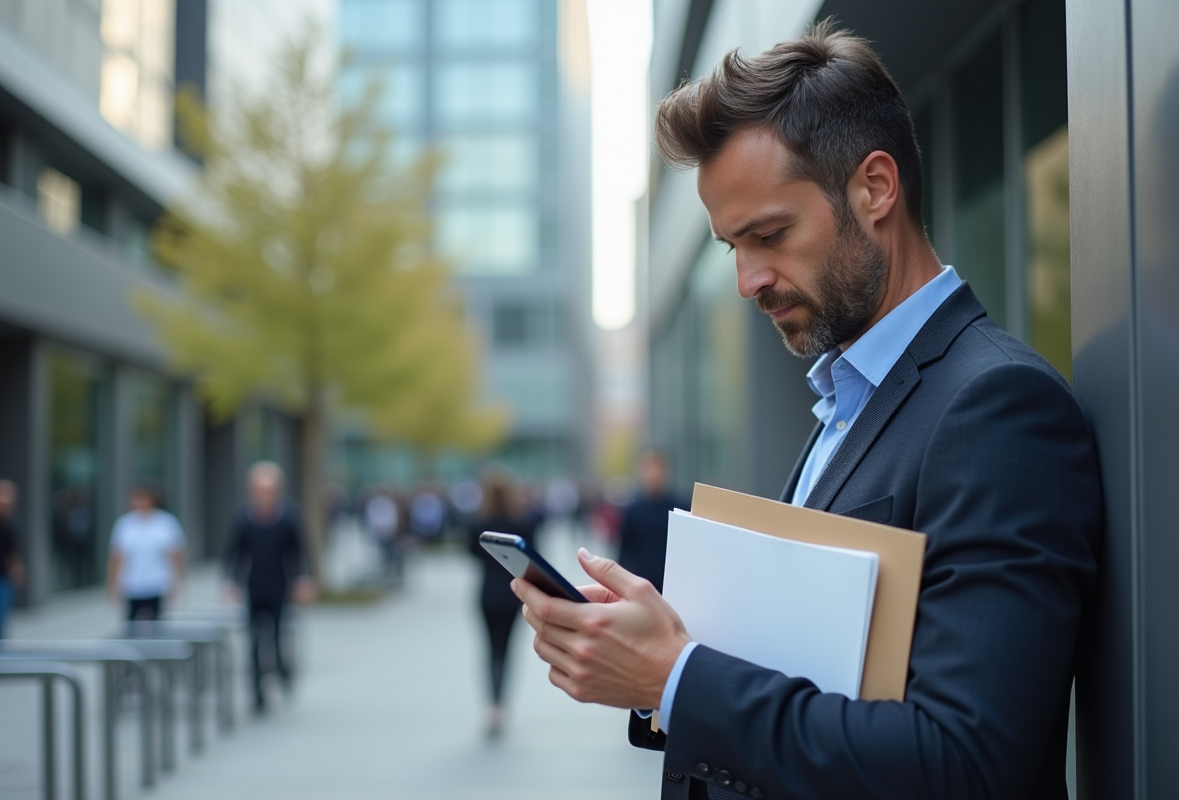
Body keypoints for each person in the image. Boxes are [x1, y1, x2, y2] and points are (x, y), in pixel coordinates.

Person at [512, 21, 1103, 800]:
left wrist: (679, 676)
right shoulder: (845, 403)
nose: (747, 281)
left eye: (770, 234)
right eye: (732, 247)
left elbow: (966, 762)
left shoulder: (999, 408)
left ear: (875, 188)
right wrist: (657, 652)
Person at [224, 461, 316, 714]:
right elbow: (233, 552)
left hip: (279, 585)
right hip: (254, 585)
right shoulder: (244, 517)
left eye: (269, 489)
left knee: (276, 635)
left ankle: (283, 668)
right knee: (254, 640)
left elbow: (299, 551)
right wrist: (231, 582)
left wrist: (303, 579)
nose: (264, 495)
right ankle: (257, 692)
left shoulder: (288, 517)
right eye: (260, 489)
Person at [468, 469, 537, 738]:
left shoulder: (479, 524)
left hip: (487, 594)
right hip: (512, 594)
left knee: (490, 649)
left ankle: (493, 705)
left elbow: (471, 553)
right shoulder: (522, 524)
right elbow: (533, 557)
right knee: (506, 651)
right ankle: (502, 704)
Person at [106, 482, 186, 621]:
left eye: (141, 498)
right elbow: (116, 558)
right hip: (132, 585)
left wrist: (178, 583)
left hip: (157, 584)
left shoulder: (166, 523)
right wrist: (112, 586)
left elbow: (176, 555)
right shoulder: (125, 524)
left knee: (158, 624)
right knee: (131, 625)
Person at [616, 451, 688, 593]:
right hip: (642, 583)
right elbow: (624, 550)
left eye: (658, 468)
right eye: (649, 468)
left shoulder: (679, 508)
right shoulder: (633, 510)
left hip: (673, 582)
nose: (654, 474)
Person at [0, 480, 26, 638]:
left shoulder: (11, 525)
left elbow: (12, 553)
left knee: (2, 620)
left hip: (3, 578)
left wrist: (17, 570)